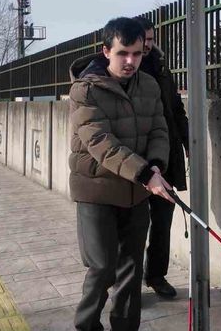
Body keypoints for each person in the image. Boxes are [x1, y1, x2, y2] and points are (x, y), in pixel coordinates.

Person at [68, 17, 175, 331]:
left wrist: (156, 163)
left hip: (136, 192)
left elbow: (159, 128)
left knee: (131, 270)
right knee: (103, 268)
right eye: (123, 53)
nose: (131, 61)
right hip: (96, 191)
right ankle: (86, 325)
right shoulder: (84, 90)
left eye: (138, 54)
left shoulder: (150, 84)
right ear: (106, 51)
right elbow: (100, 142)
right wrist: (145, 173)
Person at [134, 16, 189, 299]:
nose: (147, 45)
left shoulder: (161, 66)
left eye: (151, 39)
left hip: (166, 156)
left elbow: (176, 108)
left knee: (163, 220)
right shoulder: (125, 69)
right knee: (133, 225)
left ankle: (156, 275)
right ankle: (128, 284)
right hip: (136, 161)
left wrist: (188, 142)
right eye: (143, 39)